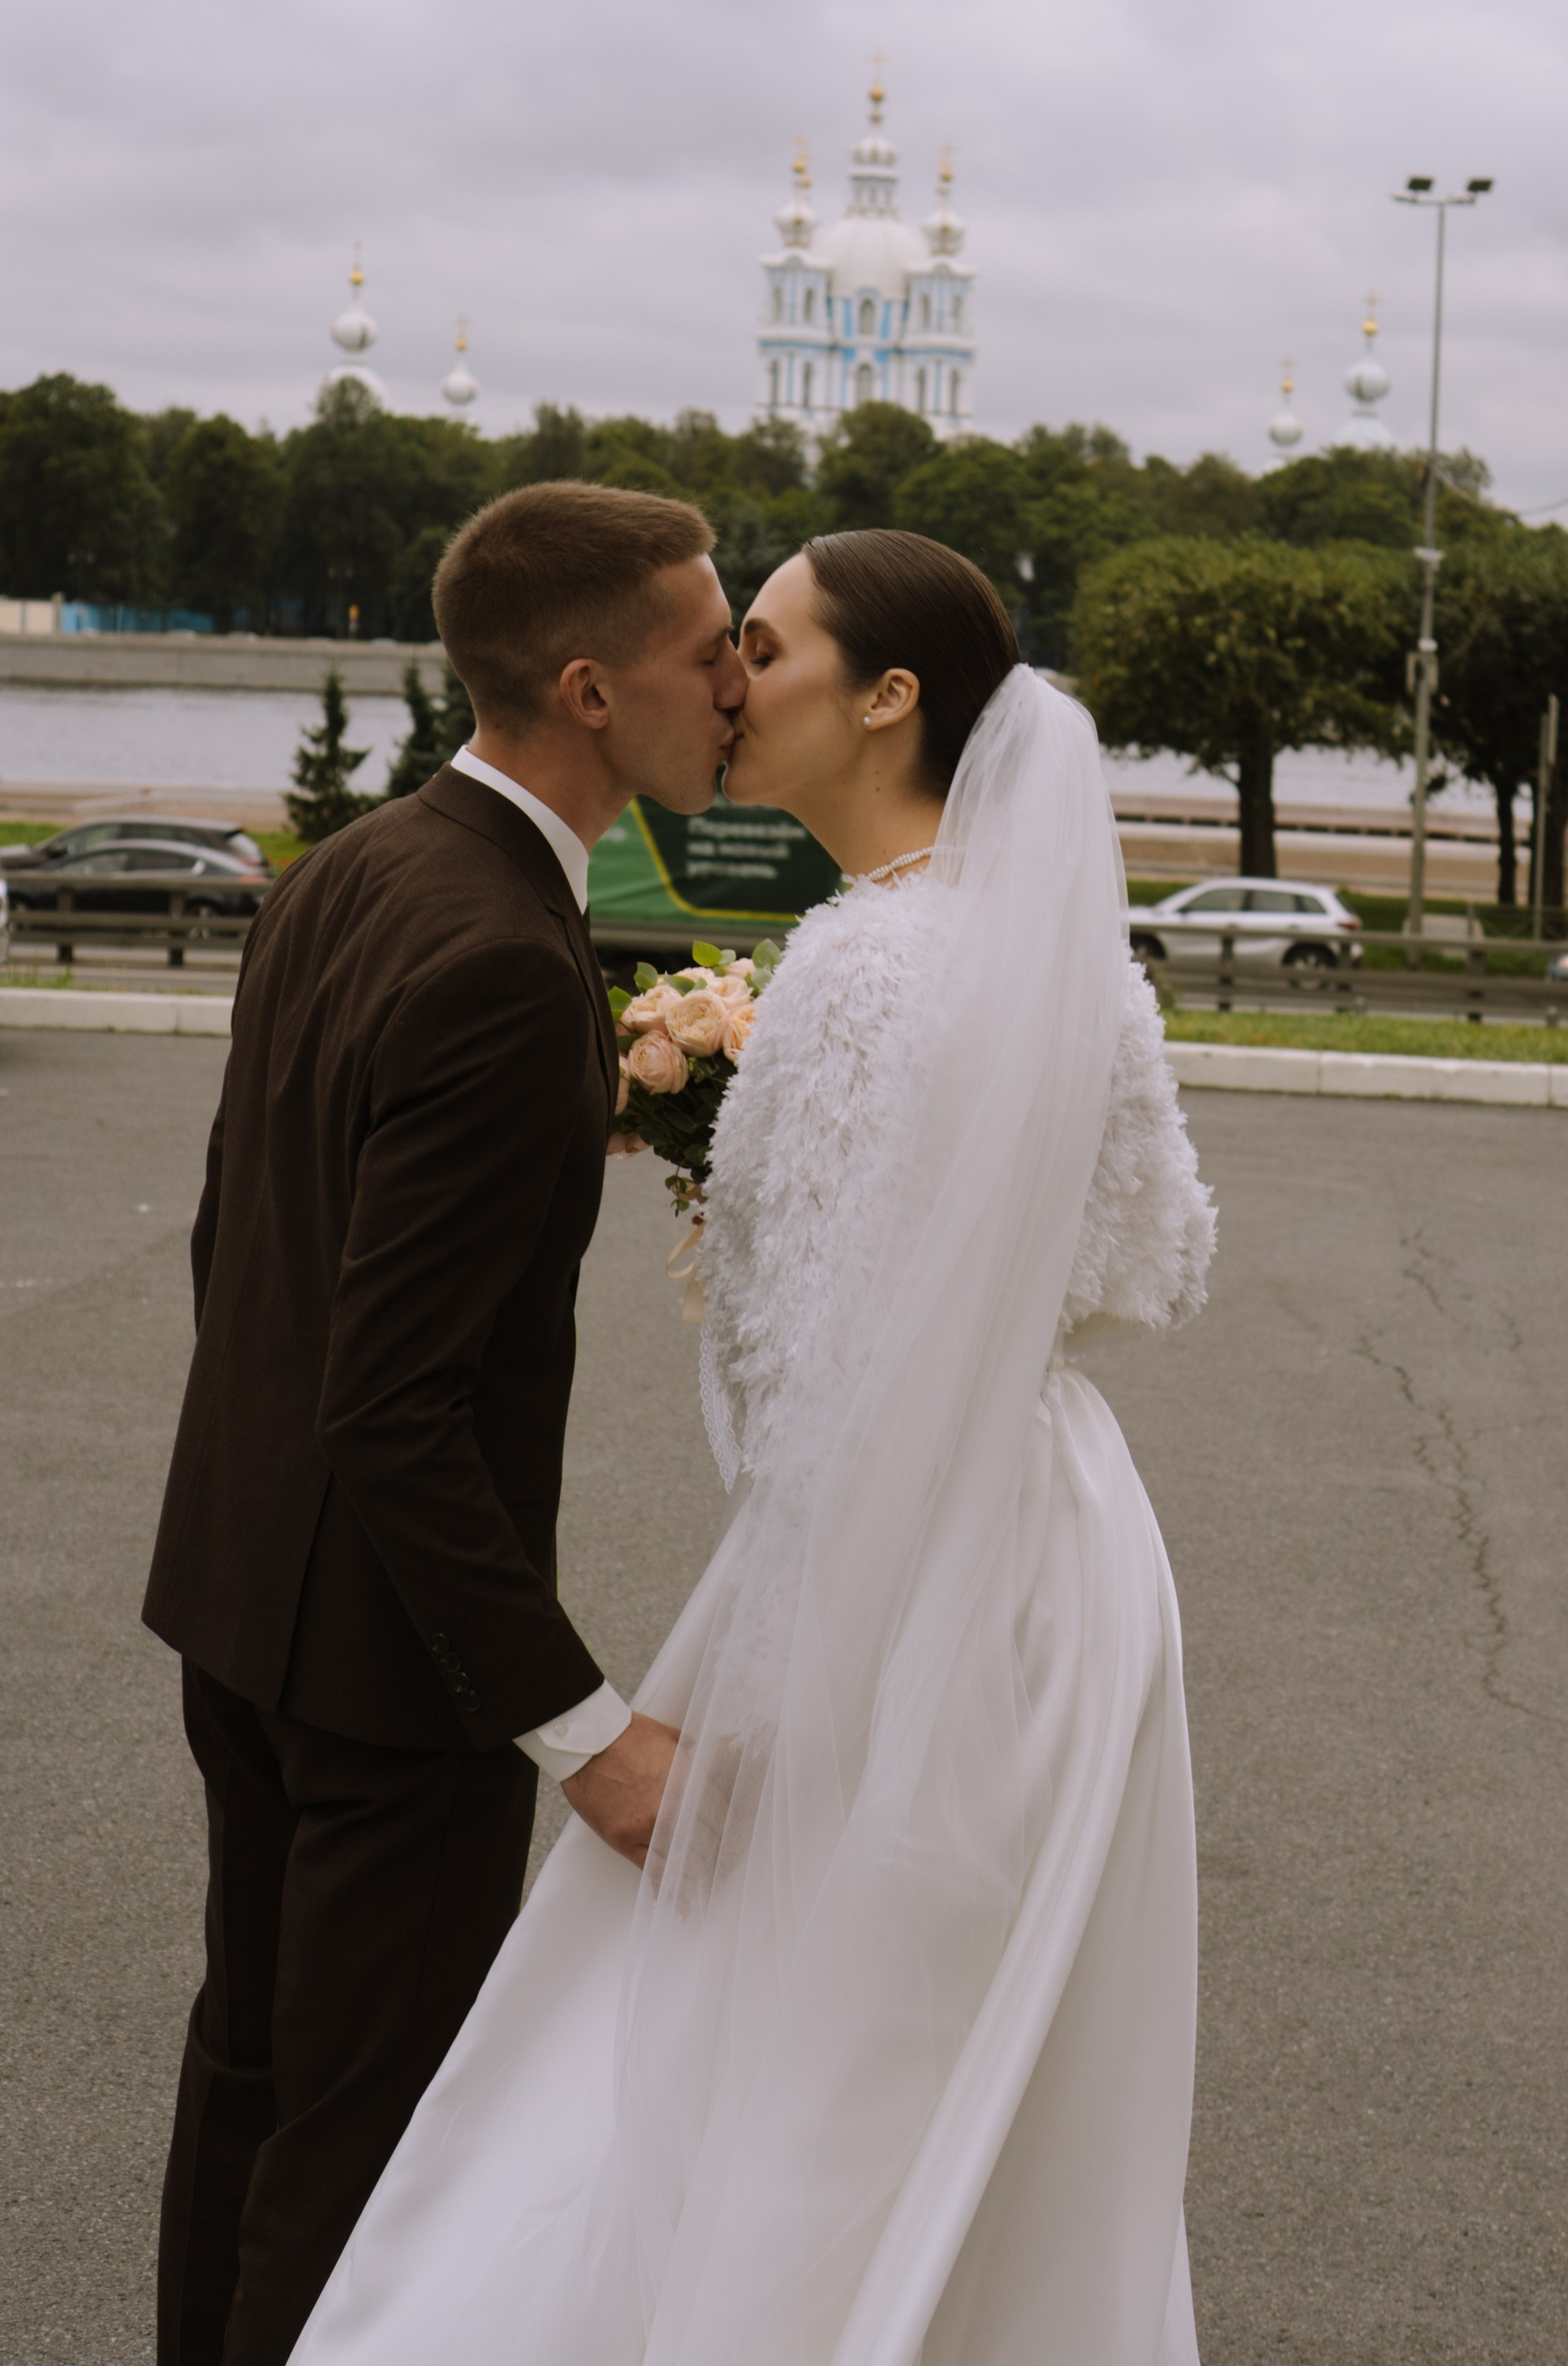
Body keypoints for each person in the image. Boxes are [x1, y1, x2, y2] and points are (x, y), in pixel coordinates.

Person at [289, 528, 1216, 2366]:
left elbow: (815, 1383)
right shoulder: (1063, 964)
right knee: (966, 2057)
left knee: (782, 2047)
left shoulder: (859, 973)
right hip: (1063, 1544)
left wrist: (795, 1645)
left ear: (886, 699)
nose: (730, 685)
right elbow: (1158, 1263)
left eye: (766, 651)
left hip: (891, 1564)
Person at [144, 483, 747, 2366]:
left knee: (251, 2084)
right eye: (705, 653)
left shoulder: (347, 872)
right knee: (361, 2160)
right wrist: (585, 1734)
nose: (736, 684)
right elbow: (395, 1400)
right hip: (388, 1682)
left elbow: (239, 1243)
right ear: (588, 689)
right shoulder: (503, 960)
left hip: (242, 1610)